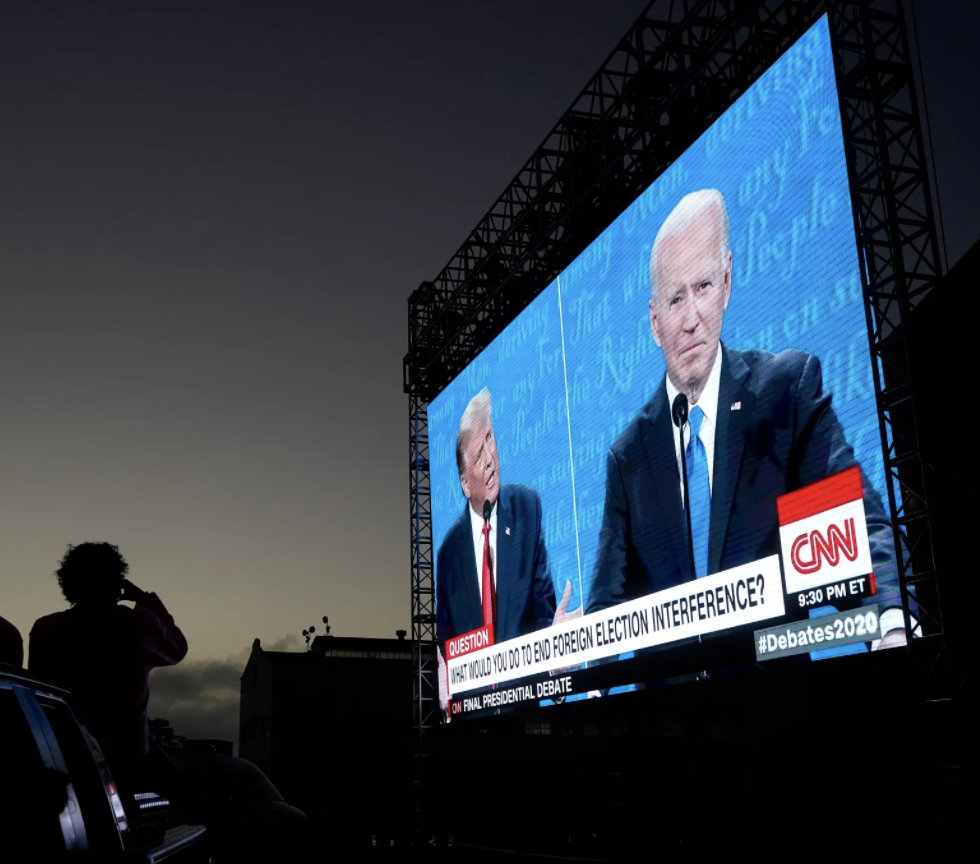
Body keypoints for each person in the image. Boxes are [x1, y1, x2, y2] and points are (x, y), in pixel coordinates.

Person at [587, 189, 907, 649]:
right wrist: (573, 649)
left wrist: (891, 621)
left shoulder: (784, 395)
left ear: (727, 283)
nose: (692, 318)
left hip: (774, 705)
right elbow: (608, 610)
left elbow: (854, 530)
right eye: (676, 299)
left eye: (703, 288)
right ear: (654, 323)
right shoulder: (629, 455)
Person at [436, 388, 580, 712]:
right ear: (464, 483)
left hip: (523, 721)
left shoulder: (527, 509)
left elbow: (544, 618)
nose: (489, 458)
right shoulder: (448, 556)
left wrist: (556, 661)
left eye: (490, 438)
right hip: (472, 726)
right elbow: (444, 649)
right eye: (477, 455)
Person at [28, 542, 188, 781]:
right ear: (117, 581)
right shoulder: (136, 623)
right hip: (124, 758)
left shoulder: (45, 628)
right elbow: (177, 647)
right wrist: (144, 599)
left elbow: (36, 691)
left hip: (62, 751)